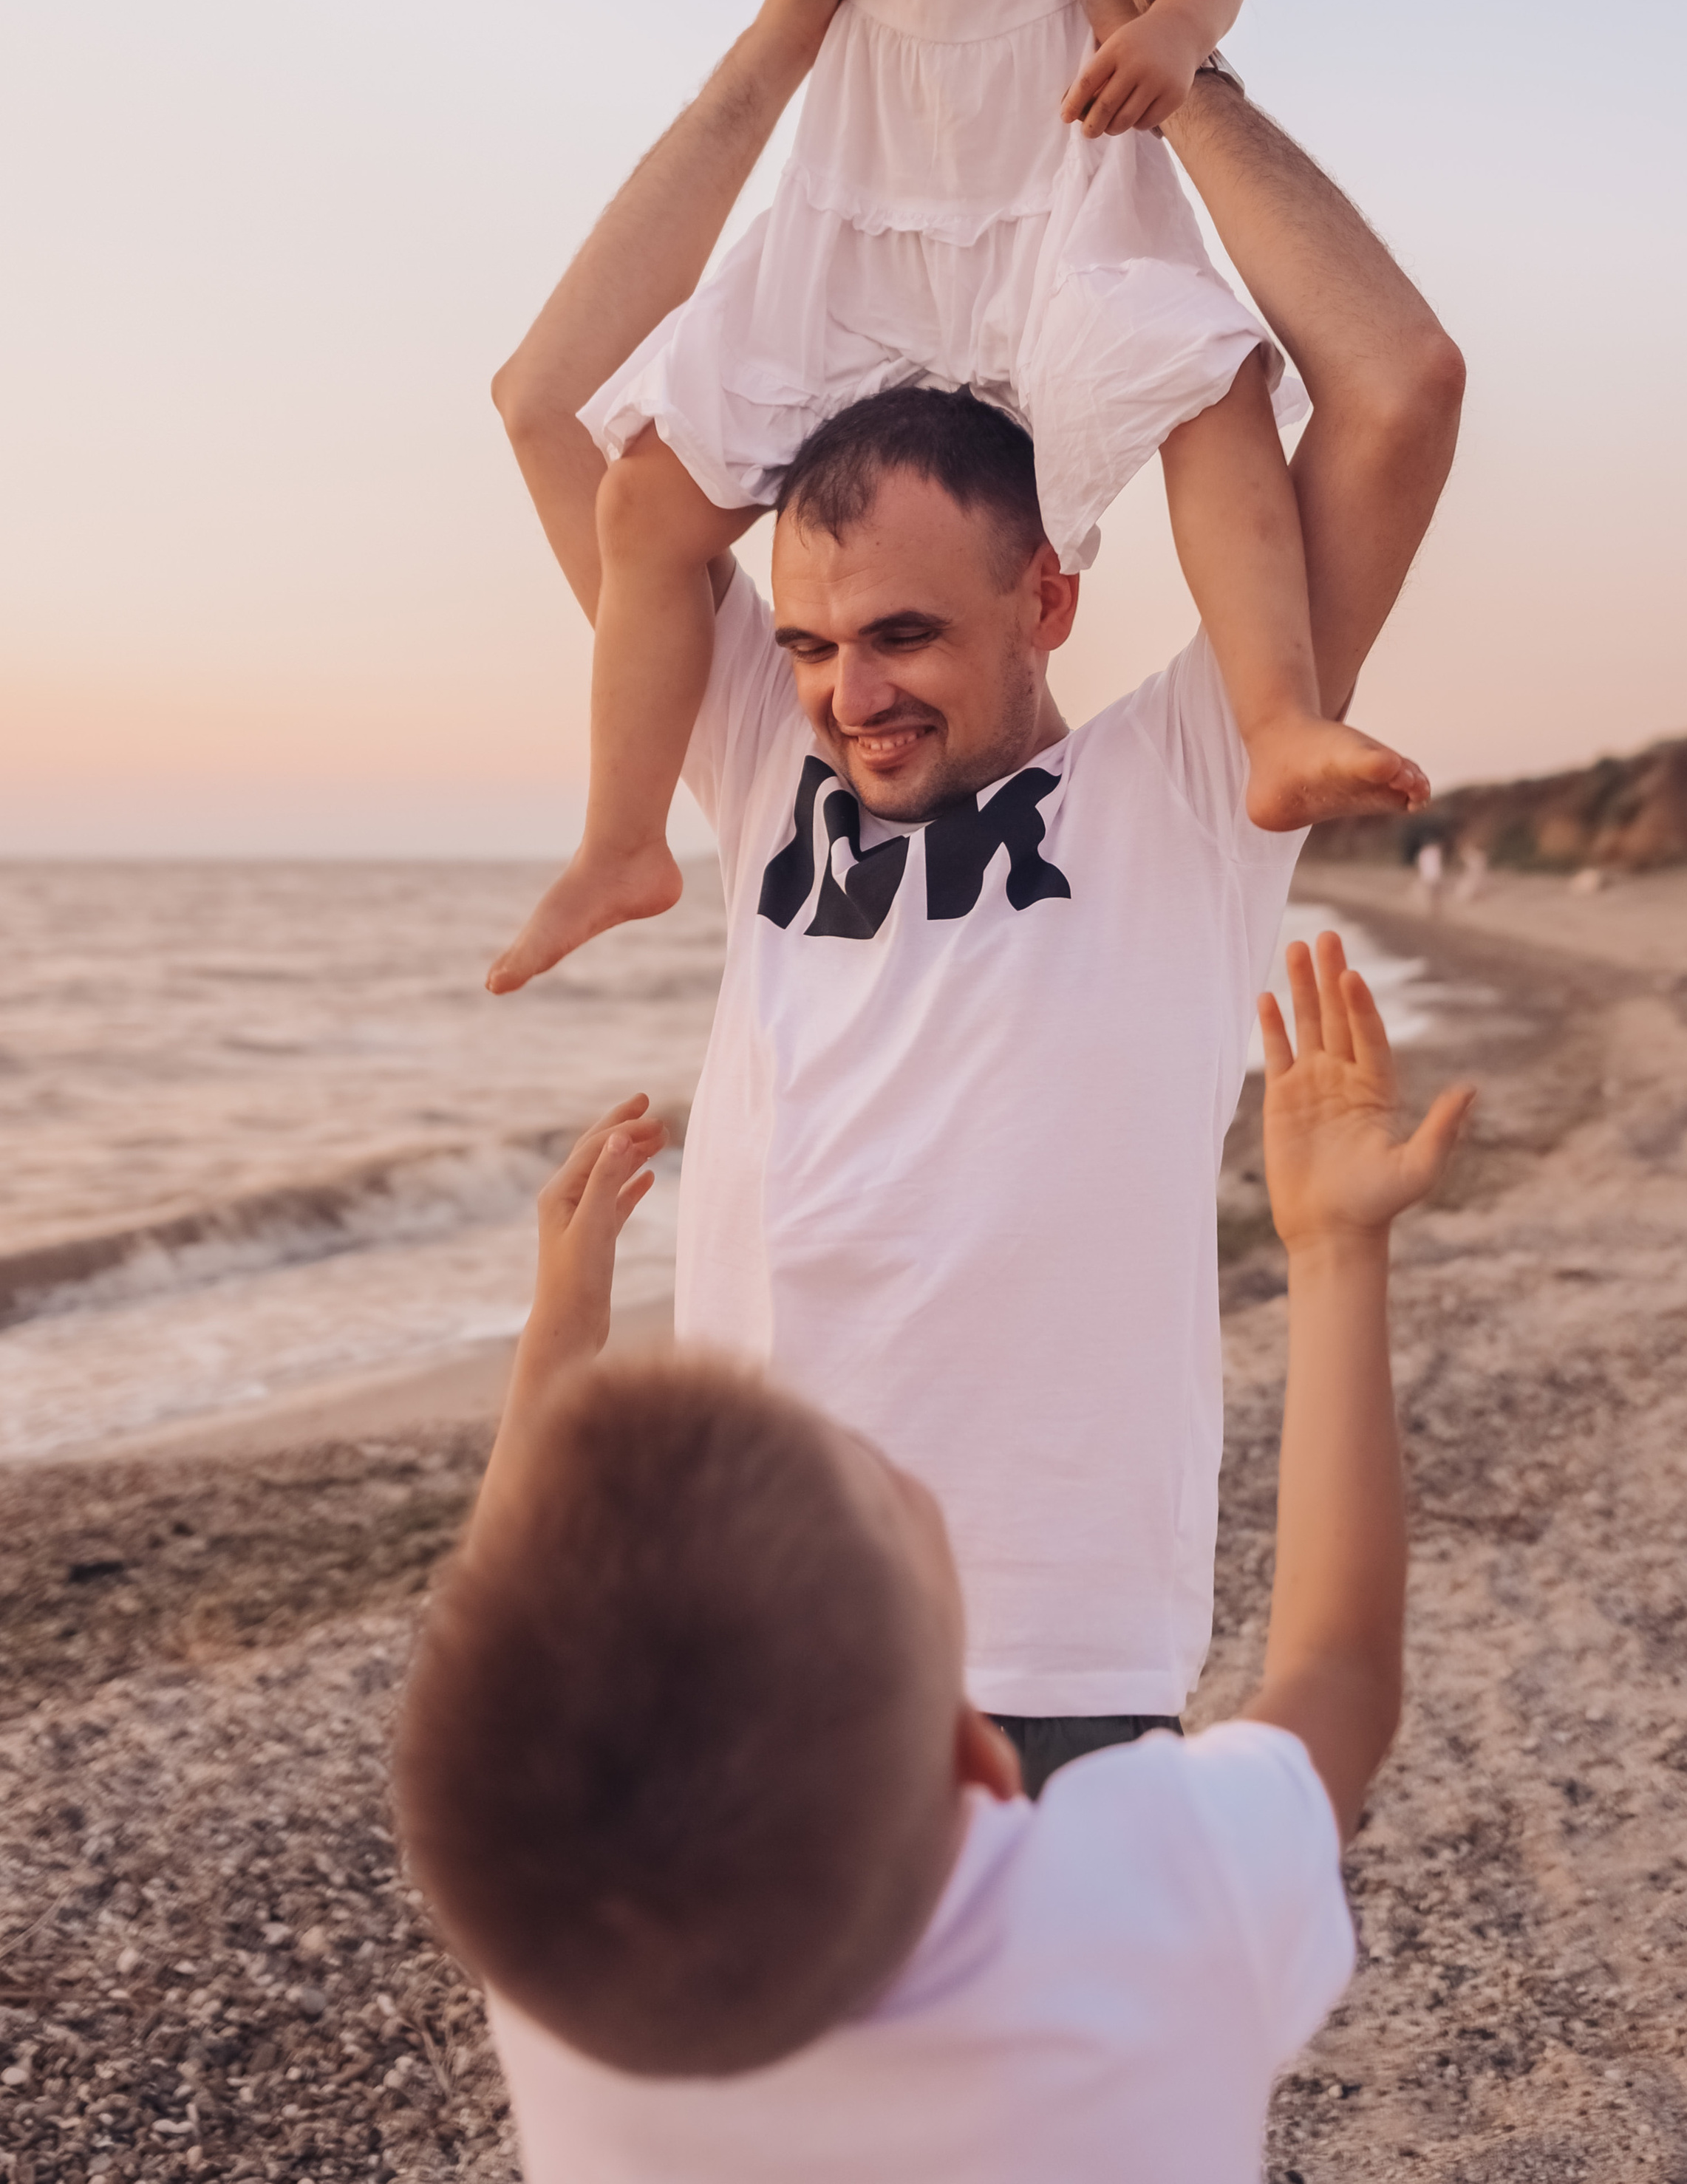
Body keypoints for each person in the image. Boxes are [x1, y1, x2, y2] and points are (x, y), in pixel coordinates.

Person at [485, 0, 1462, 1792]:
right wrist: (792, 32)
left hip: (1048, 1655)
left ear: (1049, 598)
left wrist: (1168, 59)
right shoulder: (770, 758)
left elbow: (1398, 389)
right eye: (816, 641)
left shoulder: (1184, 790)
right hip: (751, 1631)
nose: (849, 691)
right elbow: (548, 407)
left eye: (907, 636)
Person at [488, 0, 1428, 999]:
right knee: (645, 507)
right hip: (855, 241)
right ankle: (621, 838)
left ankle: (1276, 721)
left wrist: (1173, 41)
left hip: (1051, 229)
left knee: (1214, 393)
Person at [396, 934, 1475, 2183]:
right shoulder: (1148, 1923)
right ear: (981, 1761)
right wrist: (1336, 1249)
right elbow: (1340, 1672)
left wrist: (558, 1333)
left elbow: (518, 1676)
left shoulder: (567, 1978)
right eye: (897, 1494)